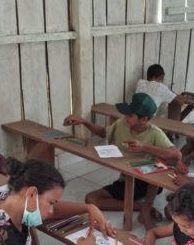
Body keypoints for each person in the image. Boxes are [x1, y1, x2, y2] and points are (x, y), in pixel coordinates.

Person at [64, 92, 181, 229]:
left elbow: (176, 154)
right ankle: (140, 206)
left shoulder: (155, 133)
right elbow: (103, 132)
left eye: (130, 115)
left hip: (148, 182)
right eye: (126, 114)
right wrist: (84, 122)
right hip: (126, 179)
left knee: (158, 161)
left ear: (143, 119)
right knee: (91, 199)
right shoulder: (121, 124)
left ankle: (146, 210)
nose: (125, 117)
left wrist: (144, 147)